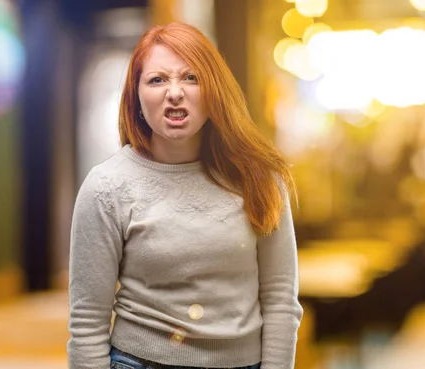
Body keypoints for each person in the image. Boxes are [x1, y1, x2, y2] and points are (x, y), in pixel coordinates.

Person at [67, 22, 303, 369]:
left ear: (214, 90)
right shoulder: (106, 186)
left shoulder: (258, 177)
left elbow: (281, 301)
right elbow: (87, 322)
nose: (174, 92)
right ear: (136, 97)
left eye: (190, 77)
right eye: (157, 80)